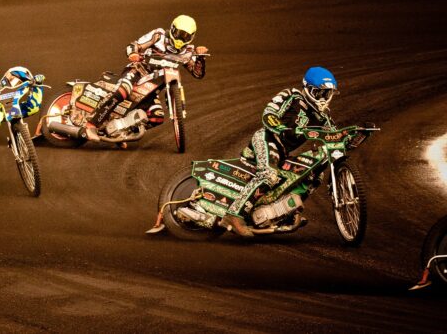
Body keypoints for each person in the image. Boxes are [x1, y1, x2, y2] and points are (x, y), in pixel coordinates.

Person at [220, 66, 338, 237]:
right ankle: (233, 215)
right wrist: (280, 127)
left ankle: (283, 211)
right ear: (308, 89)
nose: (324, 98)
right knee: (269, 174)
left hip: (282, 153)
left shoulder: (323, 118)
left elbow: (335, 136)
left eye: (327, 94)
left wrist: (353, 135)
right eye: (320, 93)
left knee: (314, 172)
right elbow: (268, 114)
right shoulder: (291, 96)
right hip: (267, 139)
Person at [85, 14, 209, 141]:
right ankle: (92, 125)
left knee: (157, 116)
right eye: (179, 33)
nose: (181, 39)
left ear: (192, 37)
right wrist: (133, 53)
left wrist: (200, 57)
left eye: (186, 36)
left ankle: (118, 132)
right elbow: (134, 45)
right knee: (122, 91)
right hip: (138, 72)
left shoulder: (188, 51)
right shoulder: (158, 35)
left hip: (153, 88)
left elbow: (197, 74)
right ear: (172, 29)